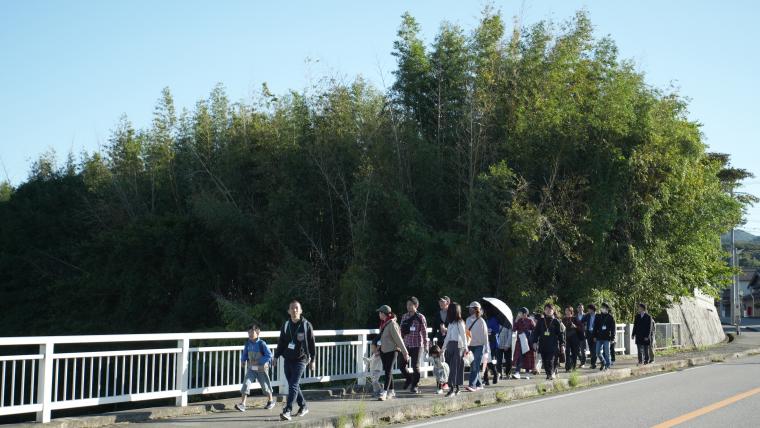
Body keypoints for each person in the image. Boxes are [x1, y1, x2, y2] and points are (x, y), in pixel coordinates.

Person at [274, 300, 316, 421]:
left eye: (297, 308)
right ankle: (303, 406)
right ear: (288, 311)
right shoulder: (286, 325)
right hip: (288, 359)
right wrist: (276, 357)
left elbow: (312, 344)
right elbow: (281, 342)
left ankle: (287, 410)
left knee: (292, 385)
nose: (294, 310)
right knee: (294, 385)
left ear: (301, 311)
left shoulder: (306, 325)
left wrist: (313, 360)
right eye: (292, 308)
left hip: (301, 360)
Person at [236, 324, 275, 412]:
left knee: (265, 386)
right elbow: (245, 354)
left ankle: (271, 401)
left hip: (261, 368)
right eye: (248, 332)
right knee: (246, 383)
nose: (250, 334)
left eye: (252, 332)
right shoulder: (247, 344)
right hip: (251, 368)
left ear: (258, 333)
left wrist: (258, 361)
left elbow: (269, 355)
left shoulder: (262, 343)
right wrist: (242, 360)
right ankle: (243, 404)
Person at [374, 305, 409, 401]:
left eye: (380, 312)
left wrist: (405, 352)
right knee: (387, 371)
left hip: (392, 351)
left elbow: (398, 339)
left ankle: (384, 393)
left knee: (388, 371)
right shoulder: (383, 324)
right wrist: (378, 349)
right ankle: (392, 391)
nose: (379, 314)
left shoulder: (392, 324)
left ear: (383, 313)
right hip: (383, 350)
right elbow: (382, 338)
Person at [399, 297, 429, 393]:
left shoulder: (420, 317)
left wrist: (426, 345)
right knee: (401, 365)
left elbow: (424, 333)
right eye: (407, 304)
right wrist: (399, 344)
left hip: (417, 345)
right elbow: (400, 331)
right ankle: (409, 379)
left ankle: (415, 385)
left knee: (415, 366)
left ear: (416, 305)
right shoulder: (404, 317)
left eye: (410, 305)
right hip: (406, 344)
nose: (408, 306)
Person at [532, 304, 564, 380]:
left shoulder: (556, 321)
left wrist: (562, 344)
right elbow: (536, 332)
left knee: (550, 360)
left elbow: (560, 334)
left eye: (550, 310)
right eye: (547, 309)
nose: (548, 311)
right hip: (543, 344)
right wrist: (535, 342)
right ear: (544, 310)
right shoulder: (541, 321)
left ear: (553, 311)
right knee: (545, 361)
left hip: (553, 345)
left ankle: (550, 374)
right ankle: (549, 374)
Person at [442, 302, 468, 397]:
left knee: (455, 367)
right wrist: (443, 348)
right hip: (450, 346)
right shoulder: (451, 323)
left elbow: (464, 336)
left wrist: (466, 348)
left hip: (458, 347)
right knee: (450, 368)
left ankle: (452, 388)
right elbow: (448, 337)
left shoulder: (460, 322)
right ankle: (455, 387)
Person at [464, 301, 488, 391]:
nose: (469, 310)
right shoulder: (468, 319)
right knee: (474, 366)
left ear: (474, 309)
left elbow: (485, 336)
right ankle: (479, 384)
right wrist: (465, 346)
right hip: (470, 346)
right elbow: (466, 333)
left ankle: (472, 385)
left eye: (470, 308)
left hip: (479, 346)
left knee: (475, 365)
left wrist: (486, 349)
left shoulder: (482, 321)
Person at [511, 307, 536, 379]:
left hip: (527, 341)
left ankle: (527, 373)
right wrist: (515, 320)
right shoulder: (518, 321)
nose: (519, 314)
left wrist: (530, 334)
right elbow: (514, 329)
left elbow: (534, 330)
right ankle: (517, 372)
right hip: (519, 341)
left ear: (525, 314)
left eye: (520, 313)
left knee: (527, 357)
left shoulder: (530, 321)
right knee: (519, 357)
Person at [593, 302, 615, 371]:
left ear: (607, 309)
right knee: (597, 352)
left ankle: (607, 366)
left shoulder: (610, 317)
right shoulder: (598, 316)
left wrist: (612, 338)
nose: (602, 309)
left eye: (604, 307)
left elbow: (613, 329)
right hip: (599, 337)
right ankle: (603, 362)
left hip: (607, 338)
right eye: (602, 307)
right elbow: (595, 327)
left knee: (607, 352)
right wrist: (594, 336)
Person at [562, 307, 584, 372]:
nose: (566, 312)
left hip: (575, 338)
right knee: (567, 352)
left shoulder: (575, 318)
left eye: (568, 310)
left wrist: (575, 326)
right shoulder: (563, 319)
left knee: (574, 353)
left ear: (571, 311)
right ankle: (567, 367)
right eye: (566, 310)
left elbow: (581, 327)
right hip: (566, 338)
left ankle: (573, 366)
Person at [483, 308, 501, 385]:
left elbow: (497, 330)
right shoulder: (485, 320)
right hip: (486, 343)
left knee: (491, 361)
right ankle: (486, 379)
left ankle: (495, 374)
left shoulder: (494, 319)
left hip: (492, 344)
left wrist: (490, 330)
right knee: (484, 362)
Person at [581, 304, 598, 369]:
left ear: (592, 309)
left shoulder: (598, 316)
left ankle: (593, 363)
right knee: (591, 349)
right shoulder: (587, 315)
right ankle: (593, 363)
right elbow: (582, 321)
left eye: (589, 309)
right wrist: (585, 326)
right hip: (589, 334)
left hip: (595, 334)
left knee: (594, 350)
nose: (588, 310)